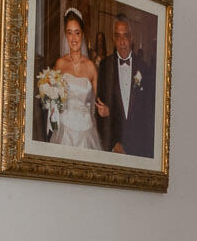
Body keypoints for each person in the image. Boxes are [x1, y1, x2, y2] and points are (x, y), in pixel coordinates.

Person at [95, 13, 155, 156]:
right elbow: (100, 112)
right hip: (115, 147)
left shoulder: (144, 68)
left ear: (132, 39)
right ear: (113, 39)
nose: (122, 42)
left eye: (125, 36)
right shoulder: (105, 67)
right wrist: (112, 144)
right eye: (118, 36)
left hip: (140, 148)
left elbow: (149, 112)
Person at [50, 9, 107, 150]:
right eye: (69, 33)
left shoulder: (91, 67)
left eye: (77, 32)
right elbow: (53, 98)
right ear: (65, 35)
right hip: (64, 129)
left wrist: (106, 110)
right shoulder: (60, 64)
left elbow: (100, 102)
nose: (73, 38)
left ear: (82, 34)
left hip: (86, 130)